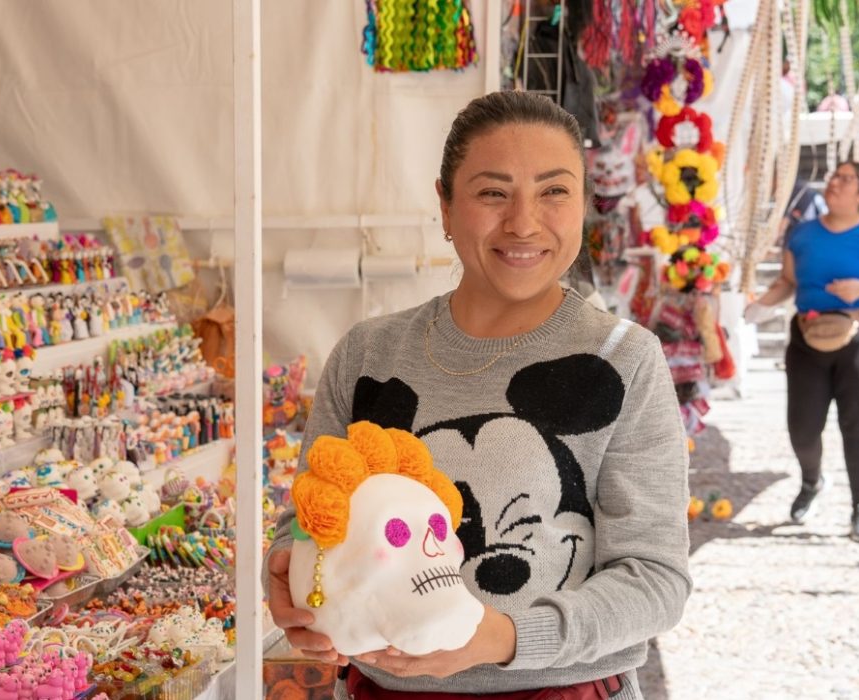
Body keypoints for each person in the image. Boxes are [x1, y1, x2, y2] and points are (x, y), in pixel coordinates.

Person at [265, 91, 691, 699]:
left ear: (584, 204)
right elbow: (308, 522)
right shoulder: (368, 356)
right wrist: (289, 581)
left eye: (554, 191)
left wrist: (503, 637)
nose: (523, 223)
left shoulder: (623, 357)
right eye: (493, 192)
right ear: (444, 204)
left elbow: (654, 580)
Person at [744, 161, 859, 542]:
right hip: (807, 335)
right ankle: (812, 481)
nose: (835, 182)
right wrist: (758, 307)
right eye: (834, 176)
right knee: (802, 427)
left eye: (846, 179)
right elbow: (788, 281)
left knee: (858, 424)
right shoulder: (801, 235)